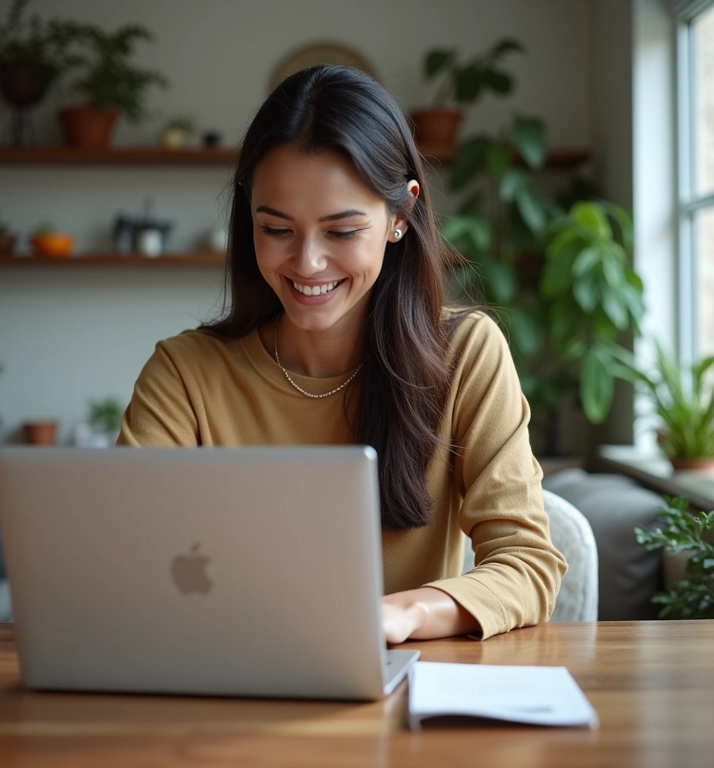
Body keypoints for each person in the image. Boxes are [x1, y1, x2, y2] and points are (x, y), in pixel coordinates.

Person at [118, 65, 567, 642]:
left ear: (400, 217)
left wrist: (400, 614)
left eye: (340, 231)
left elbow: (527, 565)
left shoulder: (466, 355)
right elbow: (122, 562)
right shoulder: (183, 373)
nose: (306, 263)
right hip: (221, 685)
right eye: (277, 229)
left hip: (394, 697)